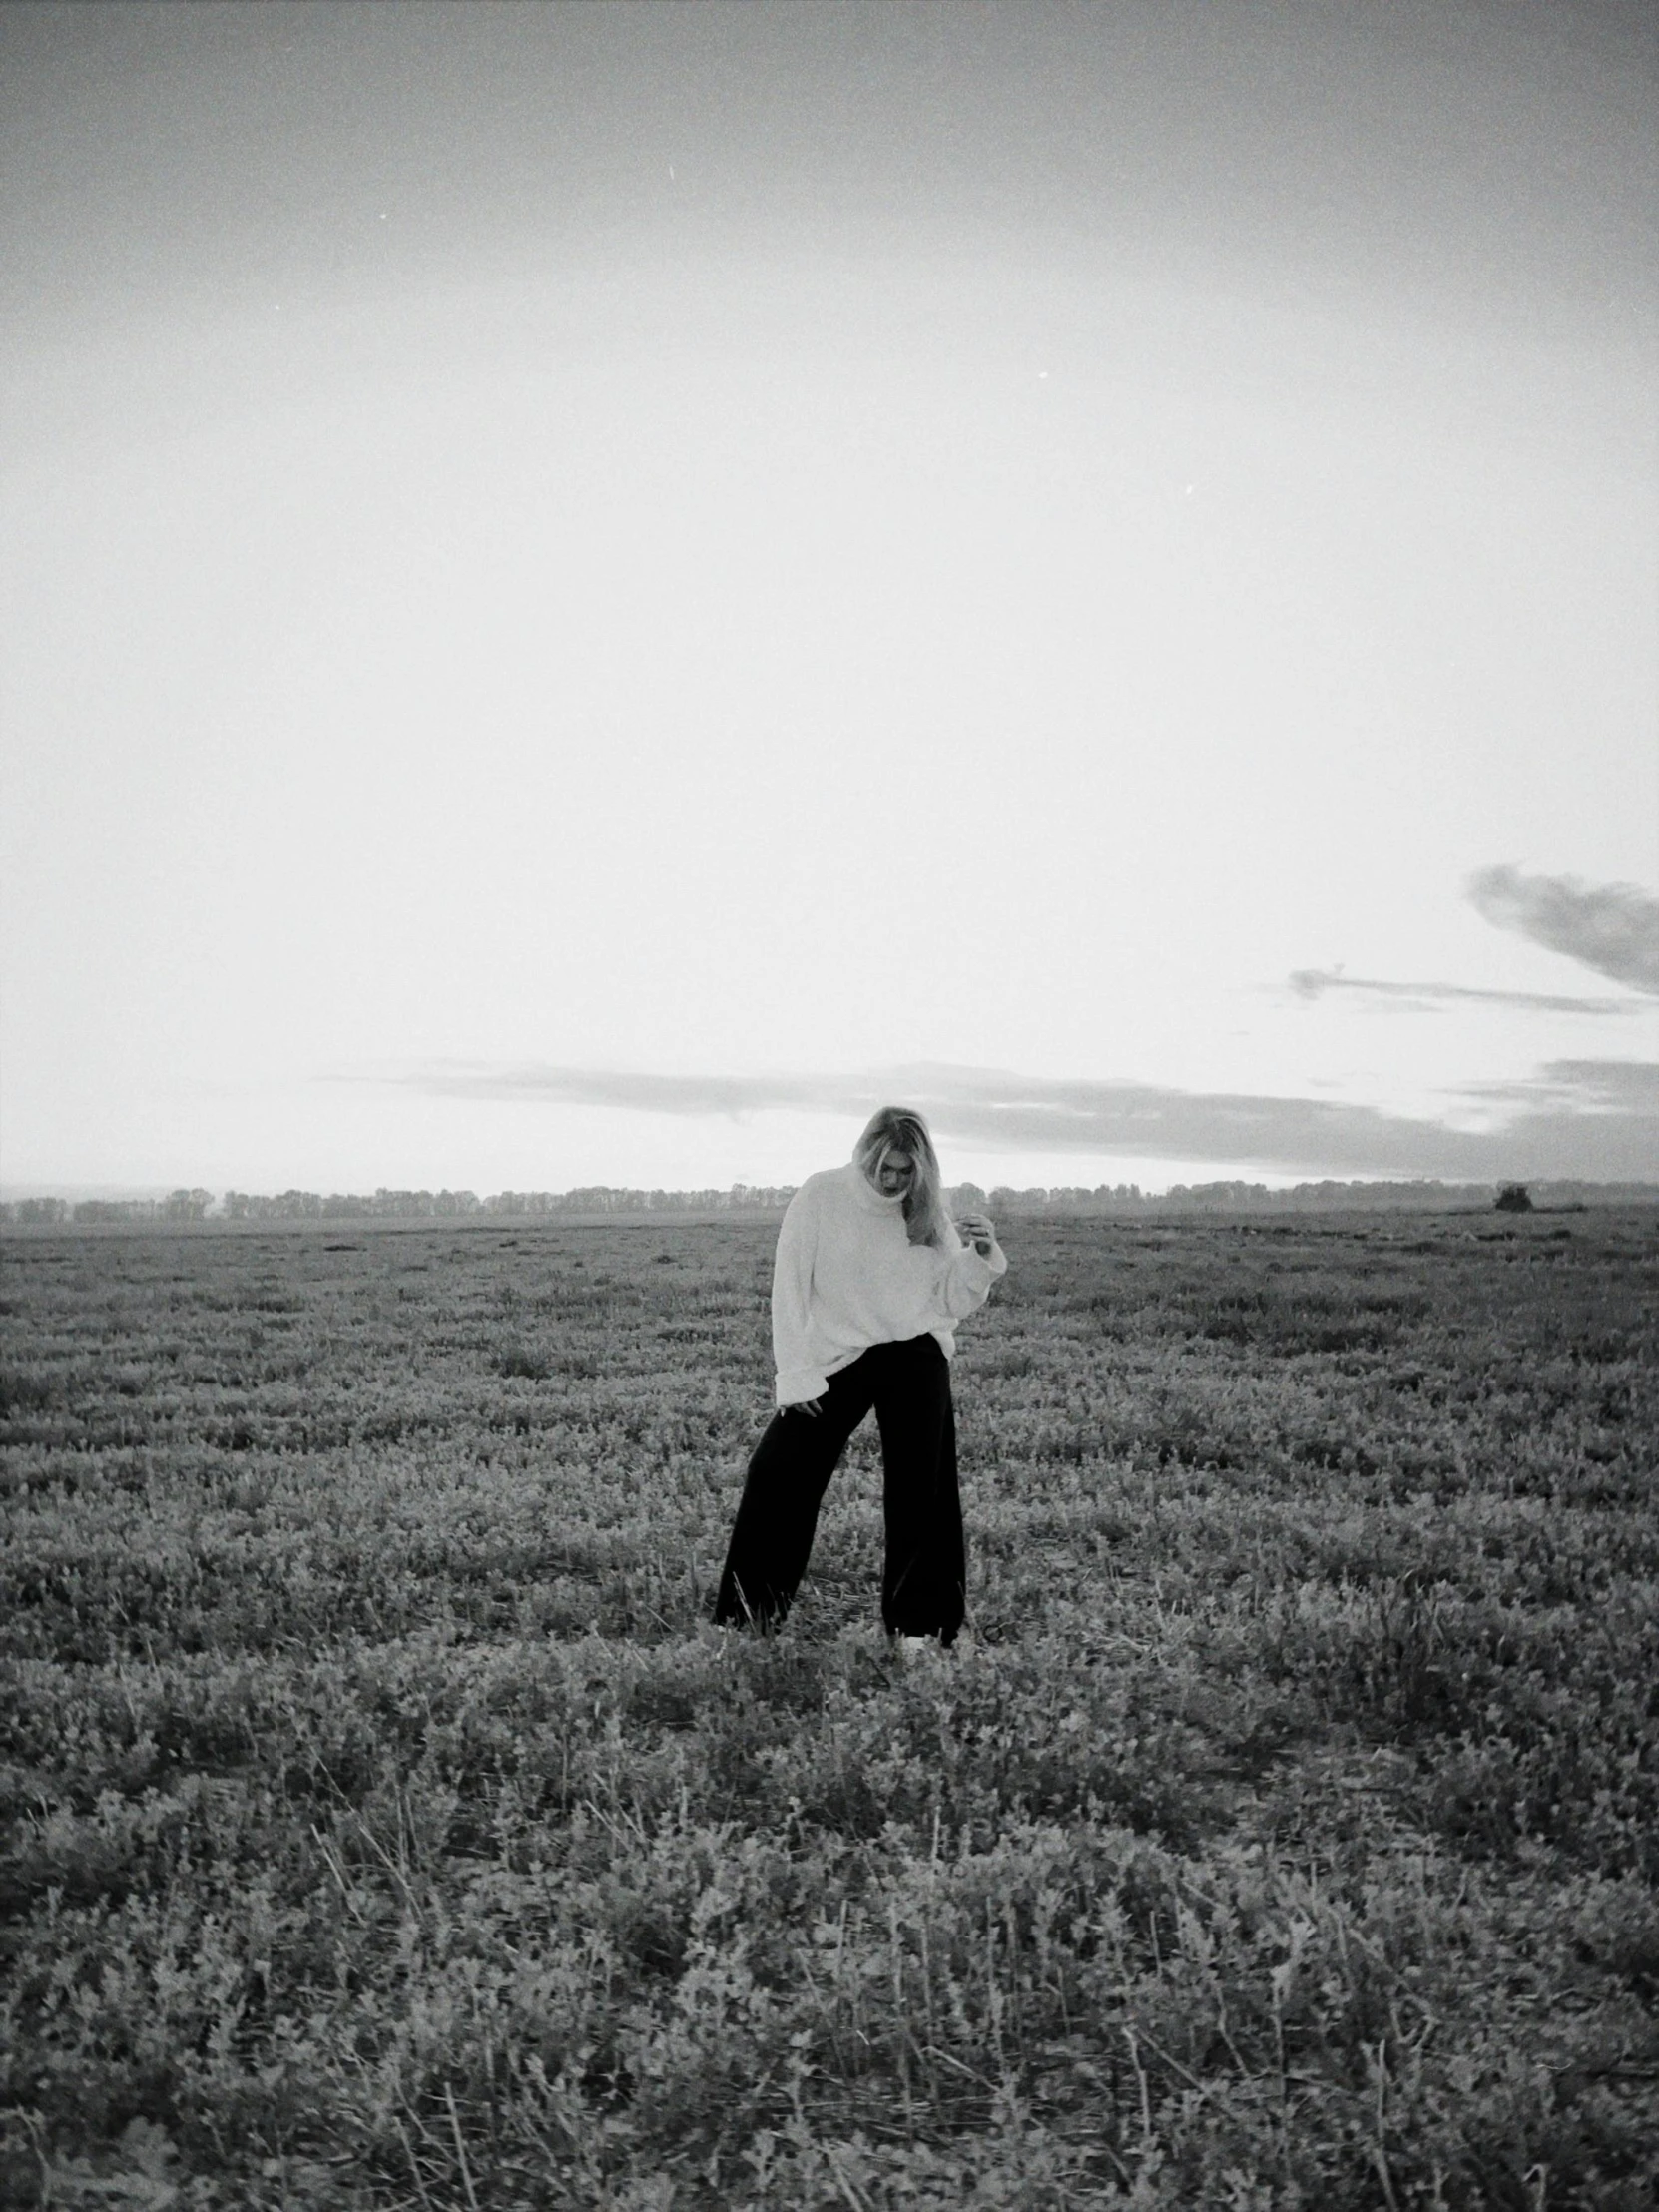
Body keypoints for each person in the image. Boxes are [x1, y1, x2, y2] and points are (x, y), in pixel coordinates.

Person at [713, 1106, 1006, 1647]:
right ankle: (747, 1621)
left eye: (905, 1171)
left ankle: (920, 1630)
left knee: (925, 1487)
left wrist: (979, 1257)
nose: (893, 1181)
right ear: (865, 1154)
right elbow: (790, 1287)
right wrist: (795, 1375)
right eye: (885, 1169)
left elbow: (948, 1299)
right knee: (777, 1472)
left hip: (915, 1352)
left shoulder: (925, 1209)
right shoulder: (821, 1196)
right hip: (839, 1356)